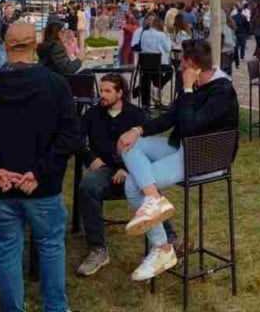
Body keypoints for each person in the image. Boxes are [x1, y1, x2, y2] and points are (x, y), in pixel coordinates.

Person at [0, 20, 80, 312]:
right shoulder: (54, 84)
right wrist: (39, 172)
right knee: (49, 247)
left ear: (7, 46)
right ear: (35, 44)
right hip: (39, 187)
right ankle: (55, 307)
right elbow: (70, 137)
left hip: (1, 188)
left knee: (7, 250)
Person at [115, 40, 239, 282]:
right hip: (183, 148)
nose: (178, 64)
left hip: (205, 157)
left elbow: (191, 125)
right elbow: (171, 117)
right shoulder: (191, 85)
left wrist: (189, 90)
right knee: (129, 144)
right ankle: (154, 199)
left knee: (132, 184)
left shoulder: (221, 90)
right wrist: (138, 130)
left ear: (191, 64)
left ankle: (162, 248)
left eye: (182, 61)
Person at [75, 74, 180, 277]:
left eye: (107, 91)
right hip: (104, 170)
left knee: (145, 181)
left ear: (120, 93)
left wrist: (128, 167)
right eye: (101, 91)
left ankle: (169, 238)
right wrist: (90, 158)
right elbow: (76, 140)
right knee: (87, 185)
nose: (102, 95)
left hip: (131, 171)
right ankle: (98, 249)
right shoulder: (92, 114)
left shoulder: (137, 115)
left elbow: (148, 150)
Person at [137, 17, 174, 109]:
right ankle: (158, 86)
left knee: (150, 74)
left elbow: (141, 46)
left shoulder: (144, 33)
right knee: (170, 70)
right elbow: (168, 48)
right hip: (158, 64)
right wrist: (168, 37)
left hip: (145, 64)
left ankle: (148, 100)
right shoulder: (161, 35)